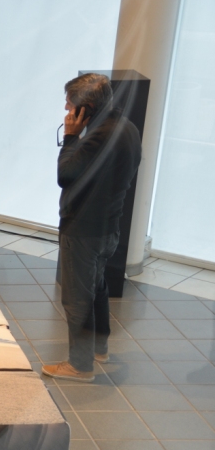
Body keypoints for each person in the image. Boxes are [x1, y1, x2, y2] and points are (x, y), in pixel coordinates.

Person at [42, 73, 142, 383]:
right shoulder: (127, 128)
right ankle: (99, 348)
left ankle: (79, 365)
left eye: (70, 103)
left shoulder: (97, 137)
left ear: (85, 108)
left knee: (76, 299)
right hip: (108, 227)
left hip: (83, 230)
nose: (66, 108)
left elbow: (65, 175)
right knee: (96, 287)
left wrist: (71, 137)